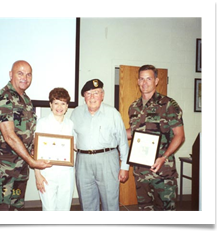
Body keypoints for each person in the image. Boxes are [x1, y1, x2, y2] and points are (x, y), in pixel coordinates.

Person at [0, 60, 52, 211]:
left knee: (16, 210)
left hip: (20, 169)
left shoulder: (26, 100)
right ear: (10, 74)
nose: (25, 78)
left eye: (28, 74)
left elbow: (27, 133)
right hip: (0, 170)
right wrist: (32, 161)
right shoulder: (2, 98)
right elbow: (9, 136)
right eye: (20, 73)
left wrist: (34, 150)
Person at [126, 64, 185, 211]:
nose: (144, 82)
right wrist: (112, 135)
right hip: (141, 172)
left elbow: (180, 136)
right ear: (138, 81)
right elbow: (133, 132)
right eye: (141, 79)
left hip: (162, 172)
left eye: (149, 79)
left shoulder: (168, 104)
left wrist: (164, 157)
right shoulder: (134, 107)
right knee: (145, 211)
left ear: (156, 81)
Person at [70, 79, 129, 211]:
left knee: (110, 202)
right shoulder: (76, 113)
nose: (92, 97)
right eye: (88, 93)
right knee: (86, 202)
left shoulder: (113, 113)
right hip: (83, 162)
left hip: (107, 160)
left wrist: (125, 166)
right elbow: (69, 137)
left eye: (96, 93)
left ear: (102, 95)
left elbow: (123, 141)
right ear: (84, 96)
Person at [34, 88, 75, 211]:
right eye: (56, 103)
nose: (59, 107)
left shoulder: (70, 124)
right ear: (50, 104)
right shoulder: (42, 123)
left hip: (66, 173)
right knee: (49, 209)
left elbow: (74, 147)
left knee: (64, 209)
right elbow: (36, 150)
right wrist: (37, 175)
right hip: (47, 173)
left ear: (67, 106)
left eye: (63, 103)